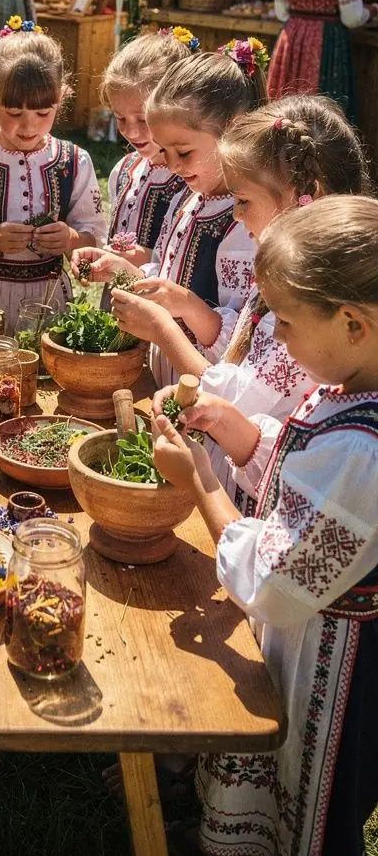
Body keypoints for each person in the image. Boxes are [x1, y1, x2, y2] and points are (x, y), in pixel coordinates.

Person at [151, 196, 378, 856]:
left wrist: (202, 481)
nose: (273, 337)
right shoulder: (351, 385)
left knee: (307, 804)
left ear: (353, 323)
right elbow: (311, 472)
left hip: (331, 665)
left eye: (283, 320)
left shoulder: (364, 452)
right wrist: (239, 430)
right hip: (315, 630)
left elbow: (276, 583)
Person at [133, 96, 371, 513]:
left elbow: (246, 403)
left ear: (304, 196)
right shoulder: (287, 285)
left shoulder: (315, 312)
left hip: (262, 501)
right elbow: (240, 355)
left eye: (242, 201)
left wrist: (165, 331)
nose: (236, 216)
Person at [74, 40, 266, 387]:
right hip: (166, 376)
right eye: (164, 150)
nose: (171, 164)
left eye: (183, 152)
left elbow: (243, 337)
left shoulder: (243, 223)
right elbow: (164, 268)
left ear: (233, 130)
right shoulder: (189, 198)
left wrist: (185, 306)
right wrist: (124, 270)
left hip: (205, 390)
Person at [0, 25, 106, 334]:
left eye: (43, 113)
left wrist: (70, 241)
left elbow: (93, 240)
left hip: (49, 304)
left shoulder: (75, 162)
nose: (28, 126)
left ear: (62, 98)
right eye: (14, 112)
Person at [100, 26, 199, 265]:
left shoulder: (192, 181)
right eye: (120, 118)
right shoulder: (124, 170)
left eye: (143, 119)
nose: (131, 131)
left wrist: (142, 258)